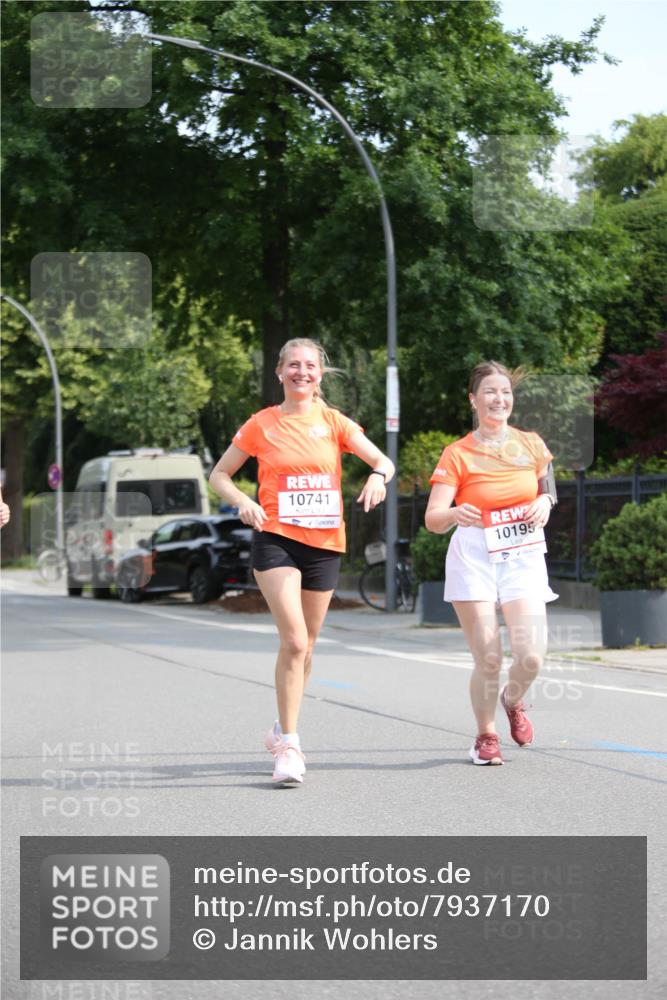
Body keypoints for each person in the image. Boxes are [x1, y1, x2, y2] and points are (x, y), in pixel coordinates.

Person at [209, 338, 395, 785]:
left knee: (307, 646)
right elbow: (219, 474)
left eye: (310, 365)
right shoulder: (261, 424)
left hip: (325, 544)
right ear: (279, 372)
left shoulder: (333, 422)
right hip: (276, 540)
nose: (301, 372)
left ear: (319, 374)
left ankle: (279, 727)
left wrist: (376, 478)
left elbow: (384, 461)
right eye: (293, 364)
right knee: (293, 641)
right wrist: (241, 501)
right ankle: (290, 744)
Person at [424, 361, 558, 766]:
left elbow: (547, 486)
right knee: (489, 658)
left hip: (522, 554)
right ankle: (486, 736)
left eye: (506, 393)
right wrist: (453, 514)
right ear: (473, 399)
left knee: (531, 656)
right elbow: (433, 518)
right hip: (474, 554)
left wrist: (544, 501)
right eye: (490, 392)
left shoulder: (531, 443)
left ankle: (512, 700)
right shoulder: (458, 453)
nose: (499, 399)